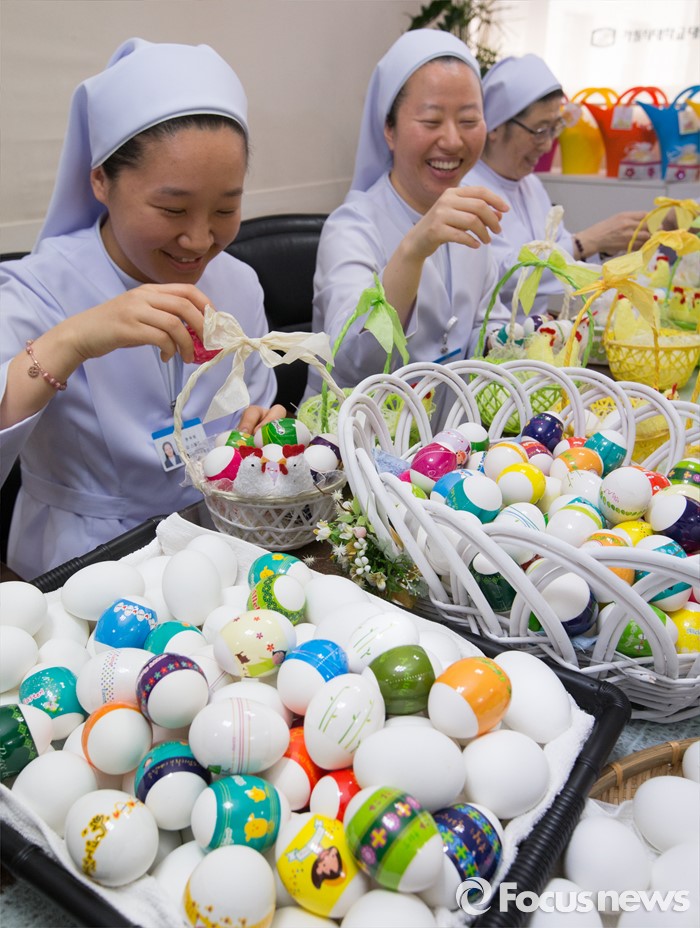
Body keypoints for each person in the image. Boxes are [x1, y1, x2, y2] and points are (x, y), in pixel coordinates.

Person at [0, 39, 285, 578]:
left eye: (225, 208)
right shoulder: (38, 288)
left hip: (220, 544)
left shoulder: (238, 284)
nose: (199, 240)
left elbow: (256, 408)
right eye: (172, 209)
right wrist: (72, 341)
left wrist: (260, 435)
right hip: (80, 560)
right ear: (100, 179)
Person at [305, 29, 510, 399]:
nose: (452, 141)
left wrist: (515, 338)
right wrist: (414, 249)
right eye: (431, 121)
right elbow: (352, 360)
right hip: (357, 431)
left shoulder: (470, 212)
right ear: (389, 129)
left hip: (452, 430)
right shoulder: (351, 228)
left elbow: (484, 324)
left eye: (468, 121)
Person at [461, 54, 651, 314]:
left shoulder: (531, 185)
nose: (548, 145)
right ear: (495, 127)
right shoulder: (465, 190)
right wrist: (589, 241)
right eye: (540, 130)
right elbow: (501, 274)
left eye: (554, 128)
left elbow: (561, 245)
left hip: (537, 328)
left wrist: (608, 244)